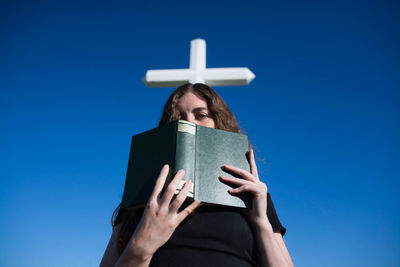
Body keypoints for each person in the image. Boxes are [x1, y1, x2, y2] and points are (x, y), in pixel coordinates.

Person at [100, 83, 293, 267]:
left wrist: (261, 221)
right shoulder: (144, 195)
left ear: (219, 123)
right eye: (178, 117)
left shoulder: (252, 195)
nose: (188, 122)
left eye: (201, 115)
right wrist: (143, 245)